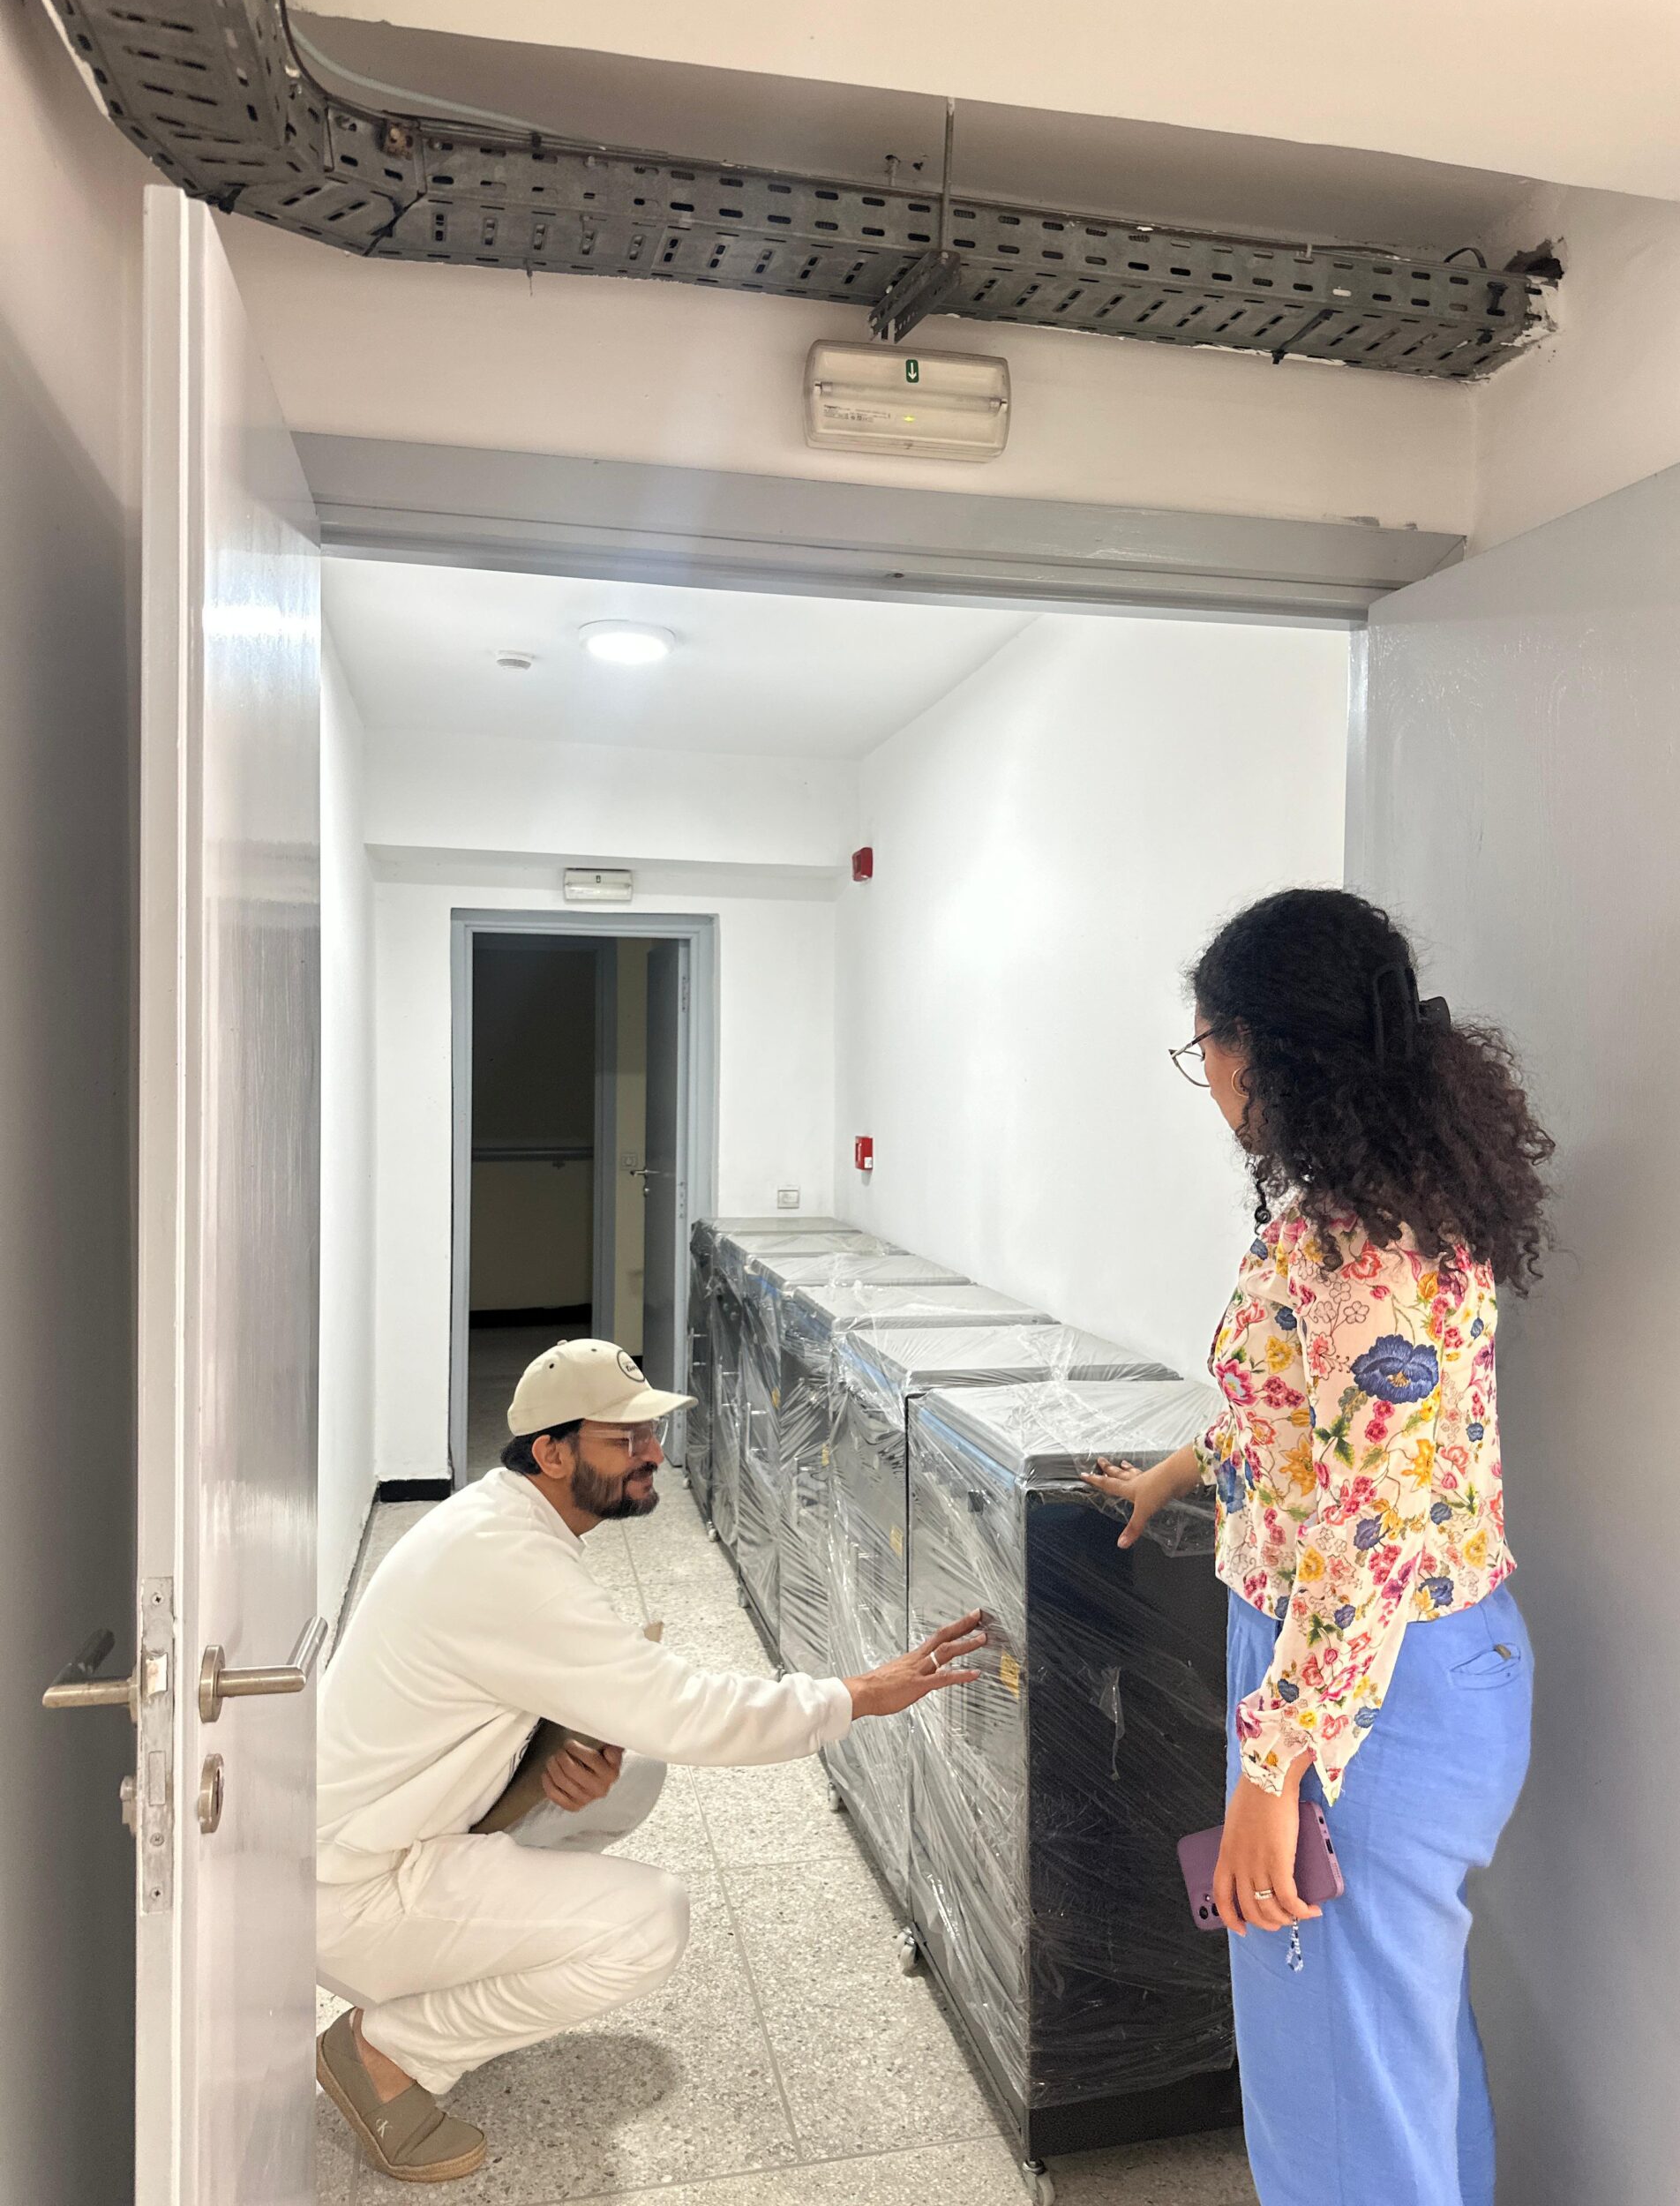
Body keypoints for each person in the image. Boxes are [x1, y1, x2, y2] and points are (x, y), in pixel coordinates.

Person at [1091, 887, 1552, 2206]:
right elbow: (1324, 1432)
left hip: (1361, 1694)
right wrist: (1184, 1467)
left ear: (1262, 1048)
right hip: (1418, 1672)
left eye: (1206, 1047)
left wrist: (1271, 1773)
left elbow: (1367, 1538)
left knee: (1338, 2102)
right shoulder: (1405, 1206)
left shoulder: (1352, 1246)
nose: (1208, 1080)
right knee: (1398, 2061)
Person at [316, 1337, 984, 2183]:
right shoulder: (507, 1564)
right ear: (553, 1454)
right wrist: (855, 1695)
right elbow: (688, 1710)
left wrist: (551, 1754)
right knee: (649, 1924)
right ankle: (386, 2051)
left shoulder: (496, 1520)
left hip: (384, 1834)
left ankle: (456, 1971)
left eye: (650, 1434)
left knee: (628, 1777)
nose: (654, 1455)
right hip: (353, 1893)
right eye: (625, 1439)